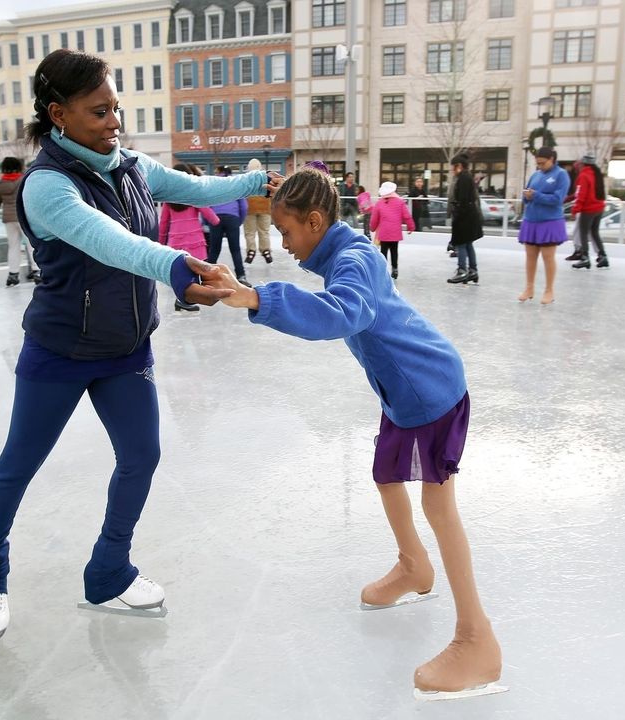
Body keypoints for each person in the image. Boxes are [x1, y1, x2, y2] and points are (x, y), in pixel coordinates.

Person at [0, 49, 281, 649]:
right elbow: (110, 243)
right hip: (60, 350)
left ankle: (108, 572)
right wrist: (176, 264)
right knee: (18, 466)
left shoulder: (129, 163)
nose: (114, 122)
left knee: (142, 457)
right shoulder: (46, 186)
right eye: (98, 111)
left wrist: (256, 180)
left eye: (116, 108)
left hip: (127, 346)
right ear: (58, 114)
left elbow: (196, 185)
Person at [204, 167, 504, 700]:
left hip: (430, 390)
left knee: (440, 508)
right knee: (387, 475)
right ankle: (414, 567)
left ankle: (477, 639)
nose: (285, 244)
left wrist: (256, 299)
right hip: (406, 394)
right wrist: (282, 192)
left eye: (288, 232)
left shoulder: (355, 259)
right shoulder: (341, 249)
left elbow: (341, 313)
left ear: (316, 221)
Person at [159, 163, 221, 311]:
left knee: (181, 270)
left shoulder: (168, 200)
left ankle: (182, 299)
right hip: (194, 240)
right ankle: (185, 300)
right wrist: (216, 219)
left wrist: (160, 242)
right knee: (196, 271)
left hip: (176, 241)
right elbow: (212, 217)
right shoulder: (193, 198)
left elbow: (163, 222)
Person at [519, 147, 571, 304]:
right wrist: (527, 196)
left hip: (549, 221)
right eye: (538, 163)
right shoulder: (535, 175)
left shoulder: (561, 175)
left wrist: (535, 195)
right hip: (531, 219)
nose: (540, 166)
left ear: (552, 159)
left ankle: (549, 290)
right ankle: (529, 287)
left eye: (542, 163)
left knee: (548, 257)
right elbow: (527, 195)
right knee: (530, 256)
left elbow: (558, 199)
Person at [0, 158, 41, 287]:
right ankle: (37, 271)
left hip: (9, 219)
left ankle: (13, 274)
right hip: (23, 217)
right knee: (31, 245)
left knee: (13, 246)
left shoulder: (1, 184)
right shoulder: (24, 180)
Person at [206, 167, 250, 285]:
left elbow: (206, 204)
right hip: (232, 218)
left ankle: (207, 277)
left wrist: (208, 221)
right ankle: (241, 276)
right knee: (235, 249)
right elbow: (244, 207)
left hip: (216, 218)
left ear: (219, 173)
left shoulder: (213, 185)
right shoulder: (236, 184)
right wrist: (238, 221)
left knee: (214, 250)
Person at [446, 154, 484, 284]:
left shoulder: (463, 178)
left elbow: (462, 199)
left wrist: (457, 215)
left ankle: (462, 270)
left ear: (459, 166)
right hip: (470, 215)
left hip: (465, 216)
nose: (452, 170)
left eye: (453, 167)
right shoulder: (468, 177)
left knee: (461, 242)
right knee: (468, 243)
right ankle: (473, 270)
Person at [568, 153, 608, 270]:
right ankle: (602, 256)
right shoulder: (597, 174)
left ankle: (585, 257)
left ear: (583, 163)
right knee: (595, 233)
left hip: (588, 209)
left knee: (583, 233)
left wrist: (575, 210)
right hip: (599, 208)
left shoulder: (584, 175)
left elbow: (581, 195)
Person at [368, 180, 415, 279]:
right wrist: (410, 227)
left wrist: (372, 228)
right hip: (395, 233)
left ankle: (383, 270)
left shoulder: (379, 203)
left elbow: (374, 219)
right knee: (394, 251)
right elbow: (407, 216)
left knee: (383, 252)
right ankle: (395, 269)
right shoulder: (400, 202)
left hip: (384, 233)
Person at [242, 158, 273, 265]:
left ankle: (251, 251)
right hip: (265, 208)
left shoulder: (247, 178)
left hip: (249, 209)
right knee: (264, 231)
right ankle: (266, 250)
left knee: (250, 232)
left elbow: (242, 193)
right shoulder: (265, 177)